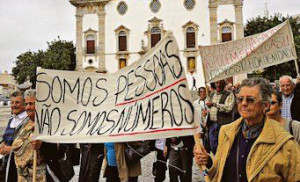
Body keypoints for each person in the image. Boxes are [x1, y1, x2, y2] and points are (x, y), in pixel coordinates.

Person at [194, 78, 300, 182]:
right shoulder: (226, 132)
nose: (243, 103)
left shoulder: (285, 143)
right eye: (240, 99)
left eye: (250, 100)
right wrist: (208, 161)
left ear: (265, 105)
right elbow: (219, 170)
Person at [11, 89, 46, 181]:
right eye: (26, 104)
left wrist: (43, 144)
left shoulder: (46, 124)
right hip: (22, 176)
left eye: (31, 104)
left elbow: (59, 150)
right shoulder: (23, 124)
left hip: (40, 177)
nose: (28, 107)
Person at [0, 91, 28, 182]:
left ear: (24, 104)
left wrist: (11, 149)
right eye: (12, 102)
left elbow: (28, 144)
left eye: (17, 102)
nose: (14, 105)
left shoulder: (28, 120)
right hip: (7, 163)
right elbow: (5, 138)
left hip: (20, 168)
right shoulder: (11, 120)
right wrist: (2, 144)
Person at [206, 79, 235, 154]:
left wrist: (215, 104)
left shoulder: (229, 94)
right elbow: (209, 107)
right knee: (213, 146)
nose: (218, 85)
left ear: (224, 84)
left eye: (220, 83)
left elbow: (228, 108)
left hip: (223, 124)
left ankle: (222, 161)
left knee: (224, 146)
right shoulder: (212, 94)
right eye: (217, 83)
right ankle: (217, 160)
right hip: (212, 124)